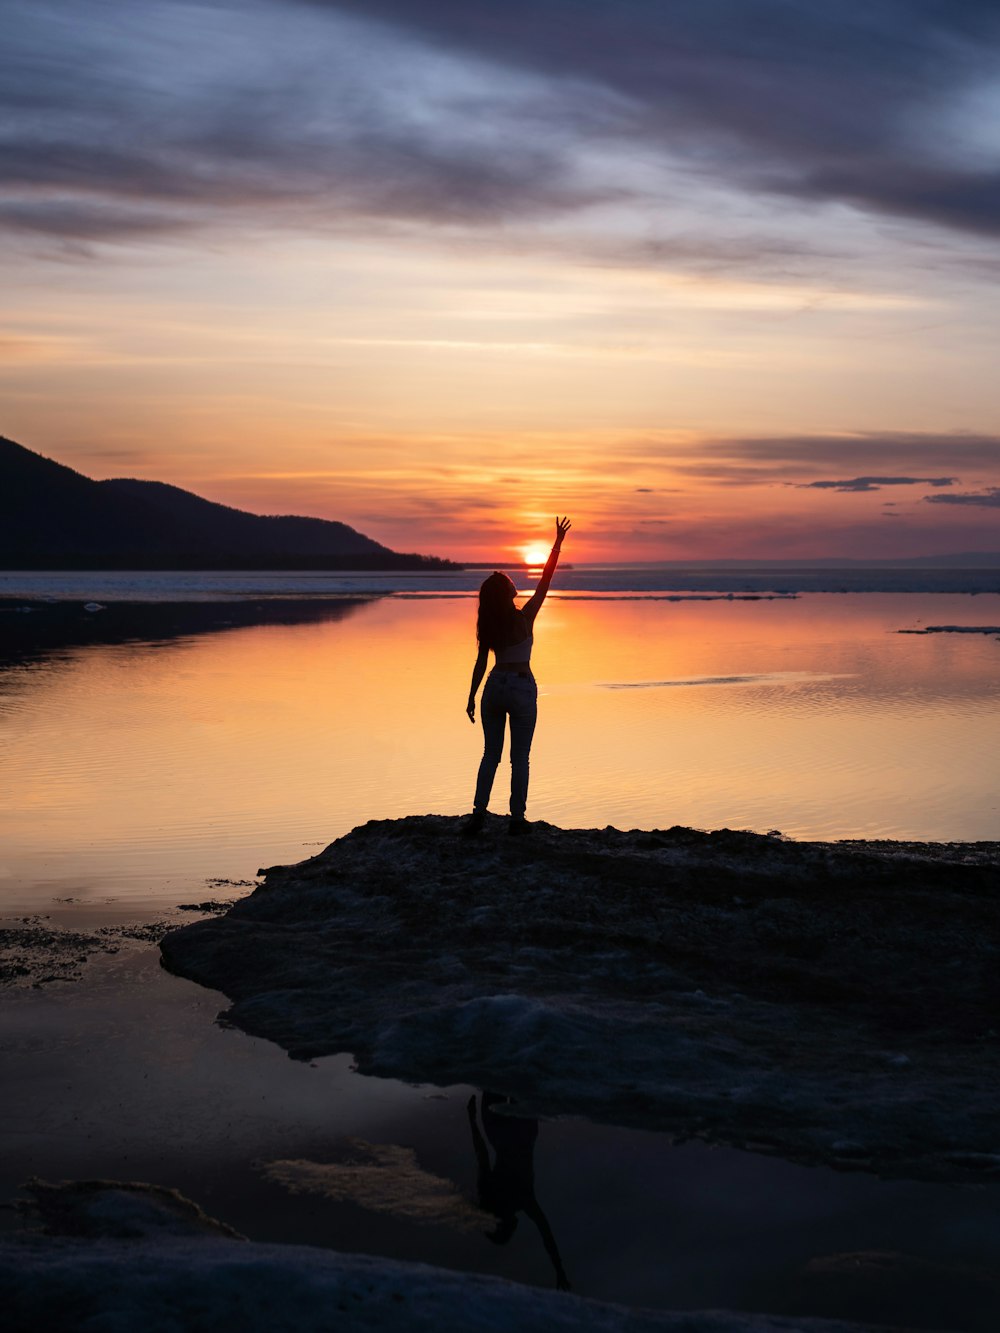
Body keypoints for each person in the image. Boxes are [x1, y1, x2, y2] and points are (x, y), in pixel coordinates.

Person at [463, 516, 571, 835]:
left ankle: (478, 815)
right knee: (519, 758)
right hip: (521, 687)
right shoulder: (526, 616)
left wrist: (470, 696)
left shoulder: (490, 624)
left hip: (494, 687)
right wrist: (557, 543)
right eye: (509, 581)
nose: (513, 581)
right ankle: (516, 820)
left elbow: (481, 663)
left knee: (490, 755)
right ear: (506, 592)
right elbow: (546, 579)